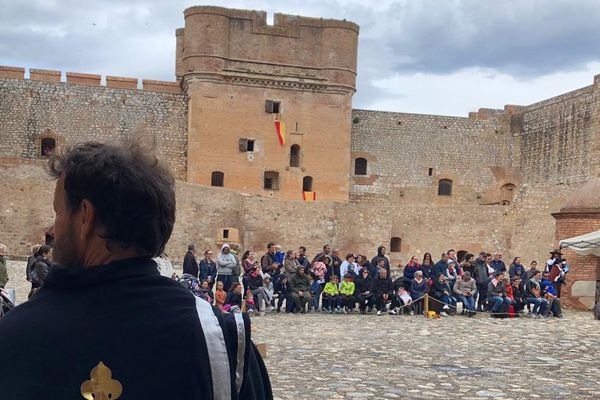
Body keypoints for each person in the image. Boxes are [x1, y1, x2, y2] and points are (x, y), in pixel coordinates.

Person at [0, 141, 271, 399]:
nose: (52, 229)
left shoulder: (13, 337)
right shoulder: (223, 341)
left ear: (85, 216)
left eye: (58, 212)